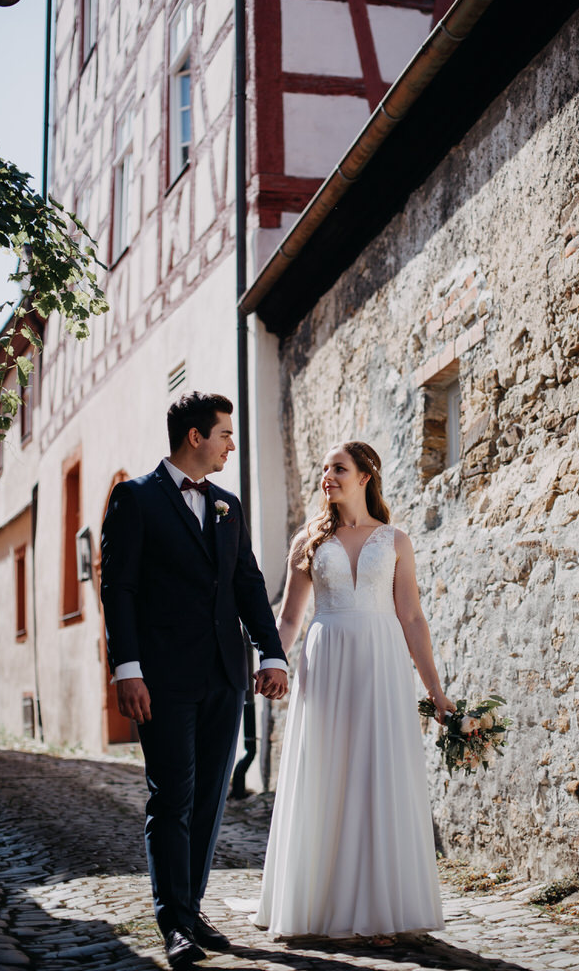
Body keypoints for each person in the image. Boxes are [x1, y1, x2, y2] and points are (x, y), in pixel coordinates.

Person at [101, 391, 288, 970]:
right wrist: (127, 668)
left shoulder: (228, 505)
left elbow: (249, 584)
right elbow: (120, 589)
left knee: (209, 797)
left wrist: (271, 654)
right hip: (161, 678)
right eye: (225, 433)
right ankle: (173, 921)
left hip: (224, 675)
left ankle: (192, 904)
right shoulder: (135, 499)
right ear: (195, 437)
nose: (232, 442)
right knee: (172, 796)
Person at [254, 440, 455, 943]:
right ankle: (315, 905)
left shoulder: (395, 540)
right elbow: (290, 617)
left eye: (338, 468)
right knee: (326, 771)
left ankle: (376, 909)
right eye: (323, 469)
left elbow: (411, 617)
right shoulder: (309, 541)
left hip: (382, 665)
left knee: (376, 774)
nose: (328, 476)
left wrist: (435, 690)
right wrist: (273, 661)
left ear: (366, 476)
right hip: (327, 664)